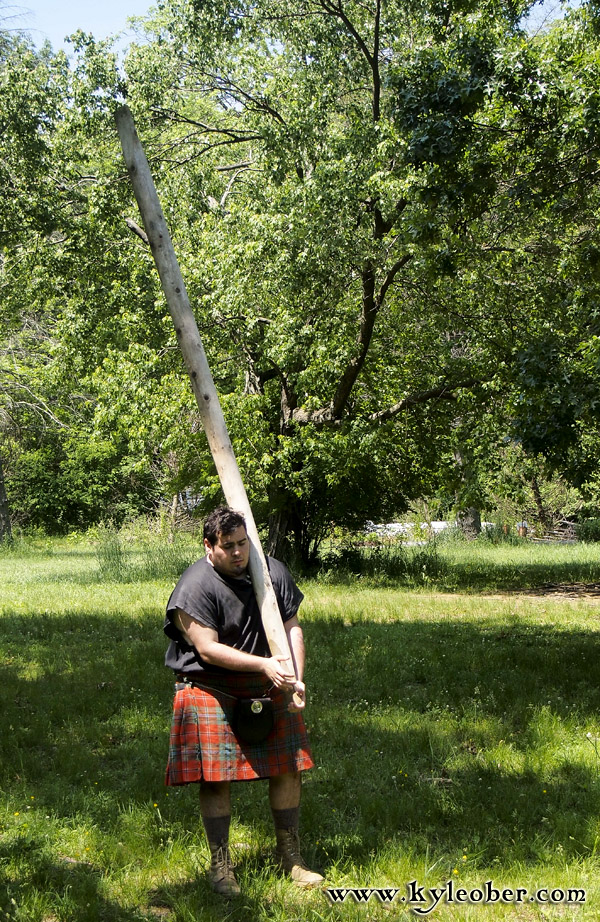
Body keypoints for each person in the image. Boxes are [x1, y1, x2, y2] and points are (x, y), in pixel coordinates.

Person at [164, 506, 323, 896]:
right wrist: (266, 665)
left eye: (243, 544)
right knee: (216, 779)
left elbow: (291, 626)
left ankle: (291, 858)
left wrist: (295, 678)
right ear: (209, 546)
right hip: (211, 687)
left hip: (266, 681)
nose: (238, 553)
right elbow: (207, 649)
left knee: (289, 768)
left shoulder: (272, 572)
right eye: (228, 546)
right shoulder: (195, 586)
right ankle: (221, 867)